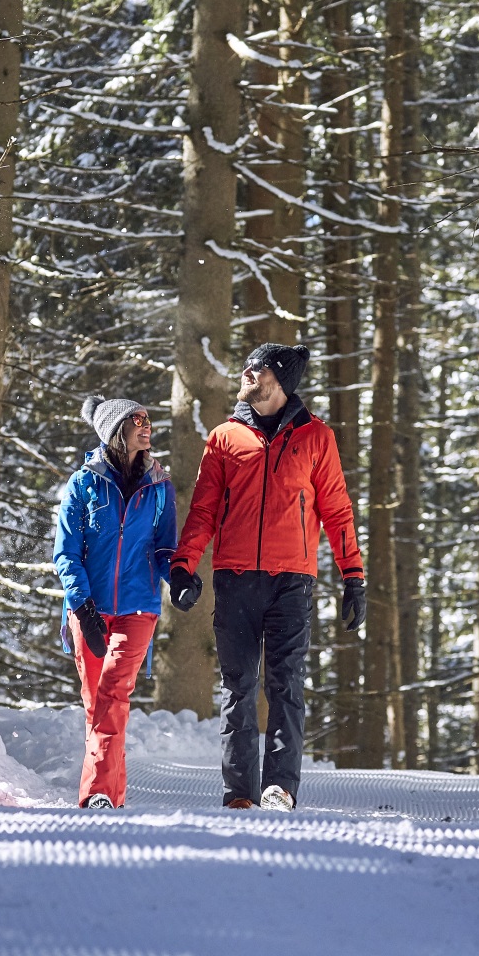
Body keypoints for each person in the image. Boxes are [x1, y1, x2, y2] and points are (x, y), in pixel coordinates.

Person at [168, 343, 366, 812]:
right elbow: (203, 511)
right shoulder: (223, 438)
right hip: (234, 579)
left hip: (291, 583)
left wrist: (352, 575)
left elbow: (337, 512)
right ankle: (240, 792)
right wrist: (184, 564)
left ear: (279, 380)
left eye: (257, 368)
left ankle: (279, 787)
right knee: (237, 688)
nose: (247, 372)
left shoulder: (316, 437)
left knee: (286, 685)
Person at [53, 395, 177, 809]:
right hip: (88, 607)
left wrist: (177, 576)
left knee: (112, 696)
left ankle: (97, 796)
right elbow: (66, 554)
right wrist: (83, 606)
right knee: (98, 707)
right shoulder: (83, 483)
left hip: (138, 608)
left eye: (149, 418)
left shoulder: (160, 486)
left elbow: (163, 549)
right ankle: (114, 797)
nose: (147, 426)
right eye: (138, 419)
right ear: (115, 429)